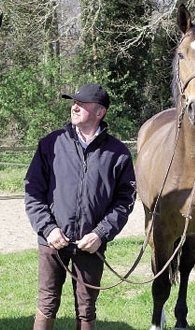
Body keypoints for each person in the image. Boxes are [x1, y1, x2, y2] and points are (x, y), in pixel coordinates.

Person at [24, 83, 136, 330]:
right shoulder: (50, 145)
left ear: (99, 113)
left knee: (86, 309)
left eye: (82, 104)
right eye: (74, 102)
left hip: (91, 245)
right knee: (47, 303)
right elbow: (33, 192)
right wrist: (48, 229)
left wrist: (100, 234)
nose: (74, 107)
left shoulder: (118, 154)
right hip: (52, 241)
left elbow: (125, 201)